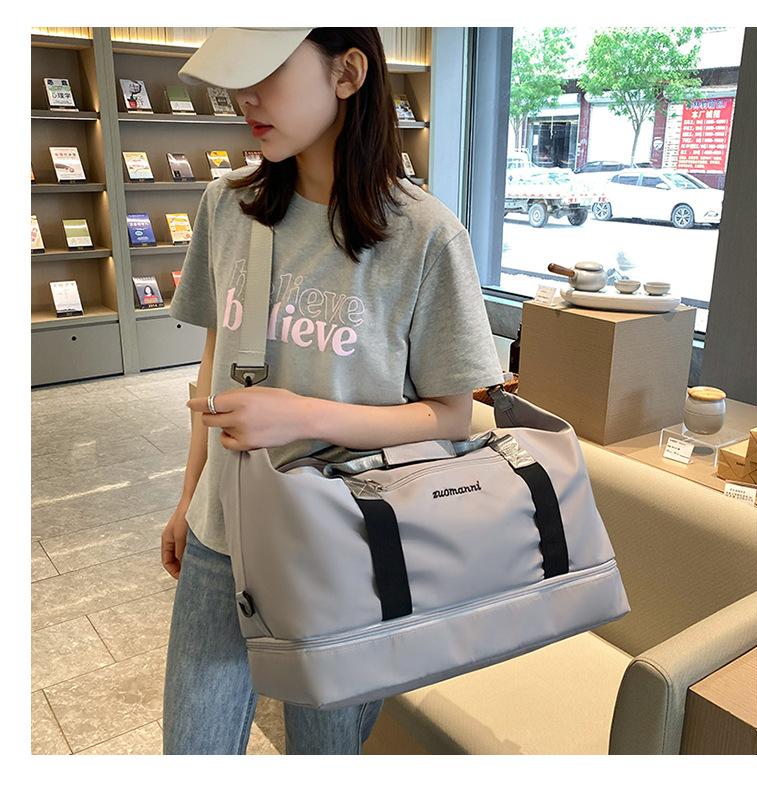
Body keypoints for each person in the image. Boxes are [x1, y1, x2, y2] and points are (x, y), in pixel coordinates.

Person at [161, 27, 504, 755]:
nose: (244, 98)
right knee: (191, 750)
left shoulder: (425, 236)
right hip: (224, 533)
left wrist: (299, 415)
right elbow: (215, 364)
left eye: (266, 73)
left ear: (347, 73)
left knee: (326, 753)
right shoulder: (227, 207)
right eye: (236, 78)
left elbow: (455, 415)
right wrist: (189, 498)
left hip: (348, 550)